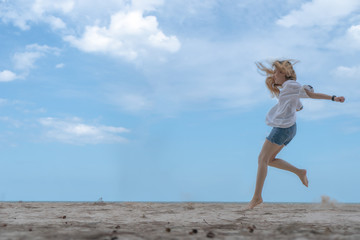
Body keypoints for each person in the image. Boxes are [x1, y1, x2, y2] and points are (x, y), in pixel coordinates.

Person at [247, 59, 345, 210]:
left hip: (282, 128)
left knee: (262, 159)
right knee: (269, 160)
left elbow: (311, 95)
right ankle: (299, 172)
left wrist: (333, 97)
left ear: (284, 73)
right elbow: (299, 105)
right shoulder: (288, 88)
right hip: (290, 129)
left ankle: (257, 197)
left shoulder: (291, 85)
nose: (274, 75)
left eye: (276, 72)